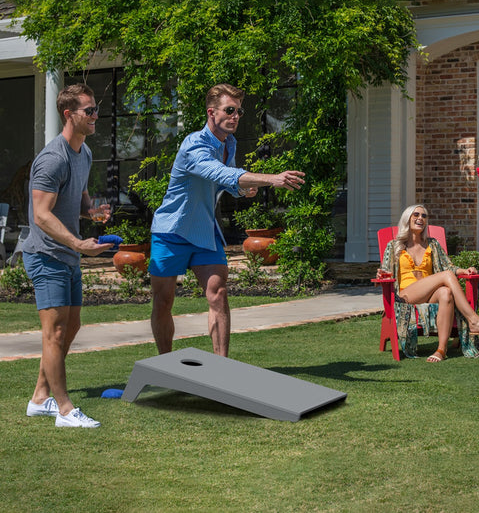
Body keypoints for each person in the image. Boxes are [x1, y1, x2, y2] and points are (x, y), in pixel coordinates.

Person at [150, 83, 305, 357]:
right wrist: (272, 179)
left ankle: (222, 367)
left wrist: (243, 189)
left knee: (218, 293)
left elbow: (227, 181)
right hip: (172, 230)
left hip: (204, 231)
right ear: (212, 112)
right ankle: (165, 364)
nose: (235, 116)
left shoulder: (228, 144)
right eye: (229, 110)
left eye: (239, 111)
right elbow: (220, 174)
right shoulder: (193, 144)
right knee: (163, 301)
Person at [23, 83, 113, 427]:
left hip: (68, 254)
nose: (94, 117)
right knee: (55, 333)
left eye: (95, 110)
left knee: (71, 326)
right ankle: (64, 409)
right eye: (88, 111)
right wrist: (77, 244)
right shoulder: (52, 158)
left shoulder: (84, 153)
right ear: (68, 115)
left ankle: (39, 398)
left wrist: (92, 211)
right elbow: (41, 214)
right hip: (47, 255)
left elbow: (81, 193)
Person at [377, 204, 479, 362]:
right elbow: (385, 271)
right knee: (446, 276)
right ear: (407, 219)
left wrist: (464, 270)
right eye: (416, 214)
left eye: (424, 216)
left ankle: (441, 350)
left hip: (429, 294)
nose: (420, 218)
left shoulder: (433, 244)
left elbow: (449, 267)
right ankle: (474, 321)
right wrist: (382, 274)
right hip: (406, 295)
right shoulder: (394, 245)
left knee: (446, 292)